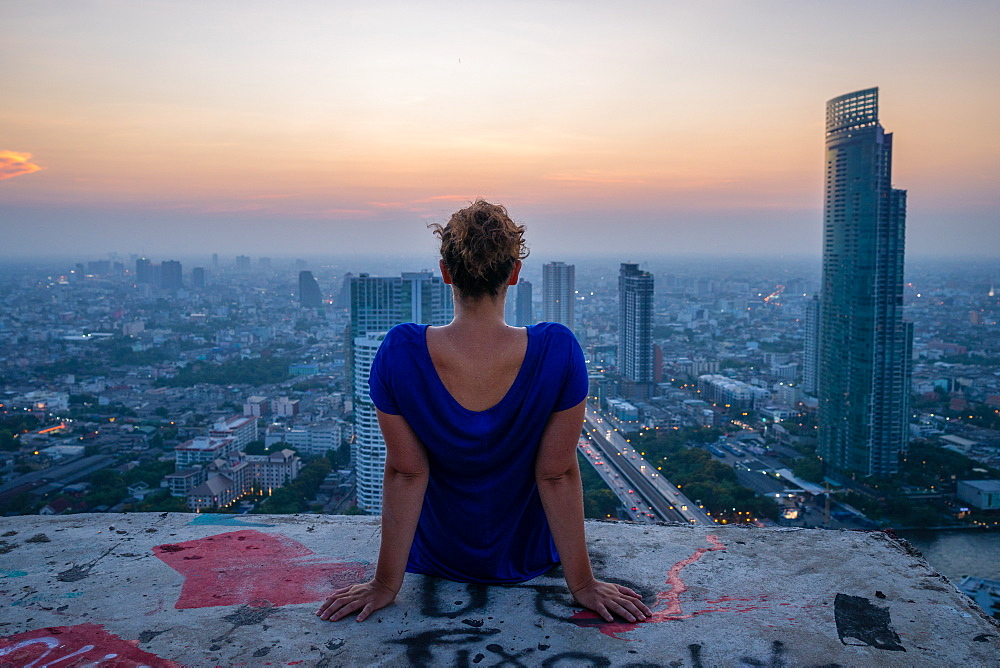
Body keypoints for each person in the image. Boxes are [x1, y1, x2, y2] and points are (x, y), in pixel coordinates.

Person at [317, 200, 650, 624]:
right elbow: (556, 474)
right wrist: (582, 584)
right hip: (527, 559)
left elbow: (406, 472)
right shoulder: (557, 350)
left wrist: (385, 584)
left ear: (445, 273)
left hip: (435, 558)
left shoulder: (399, 352)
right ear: (513, 273)